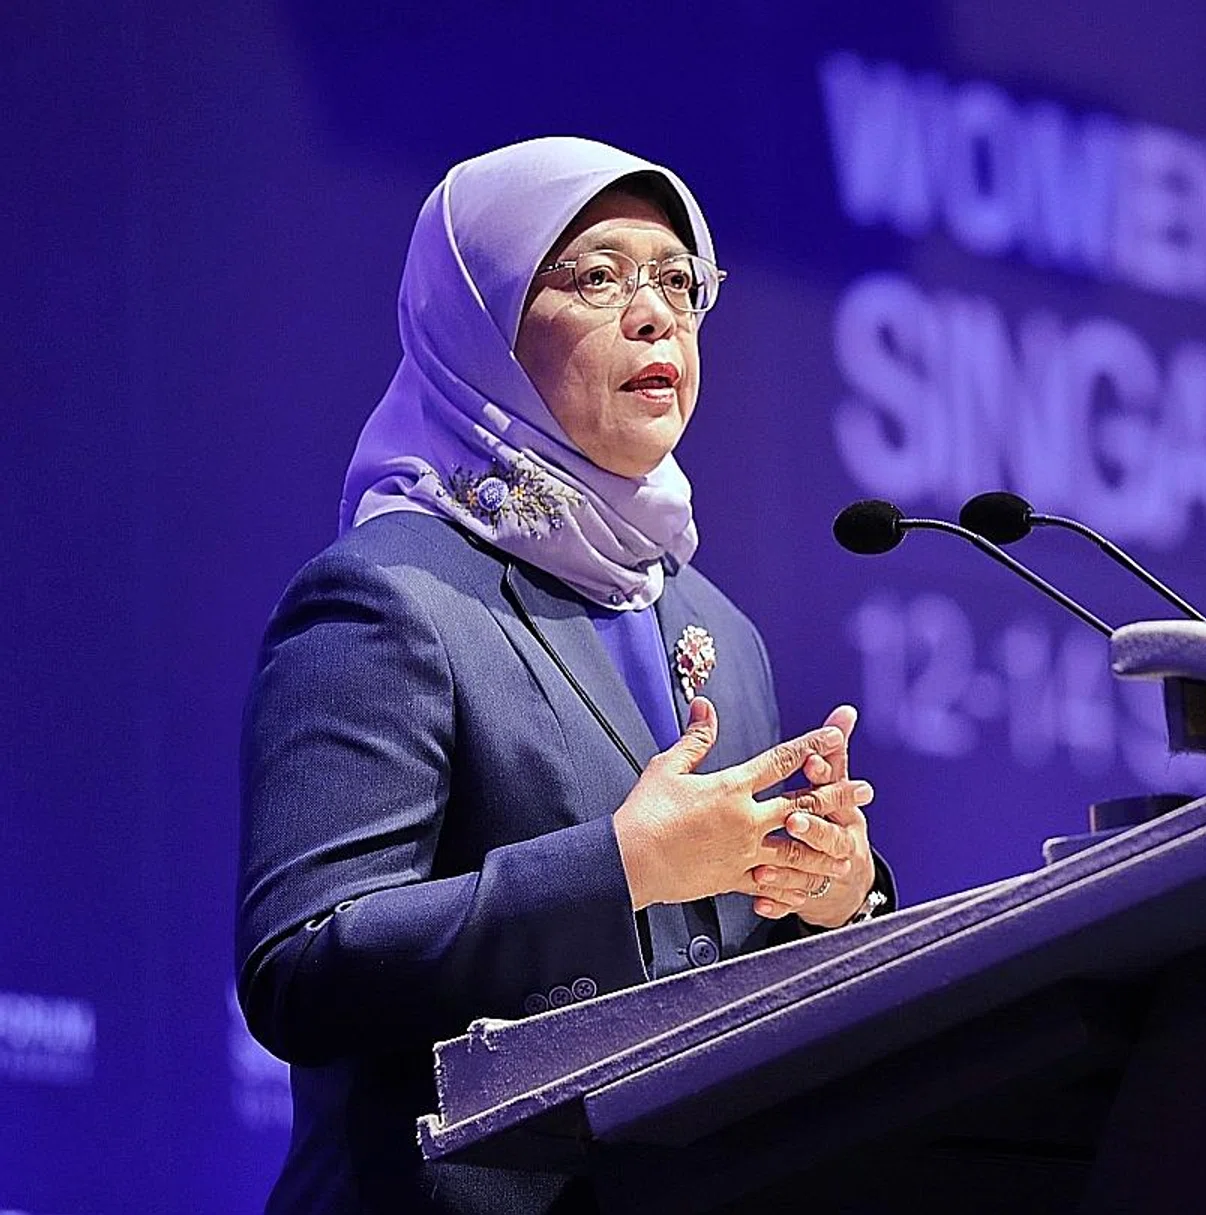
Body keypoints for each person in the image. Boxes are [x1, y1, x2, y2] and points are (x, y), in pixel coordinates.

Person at [235, 137, 891, 1214]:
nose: (656, 313)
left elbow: (712, 949)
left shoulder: (713, 623)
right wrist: (619, 869)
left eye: (680, 281)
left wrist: (829, 895)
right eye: (596, 276)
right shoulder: (388, 595)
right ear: (481, 324)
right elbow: (303, 967)